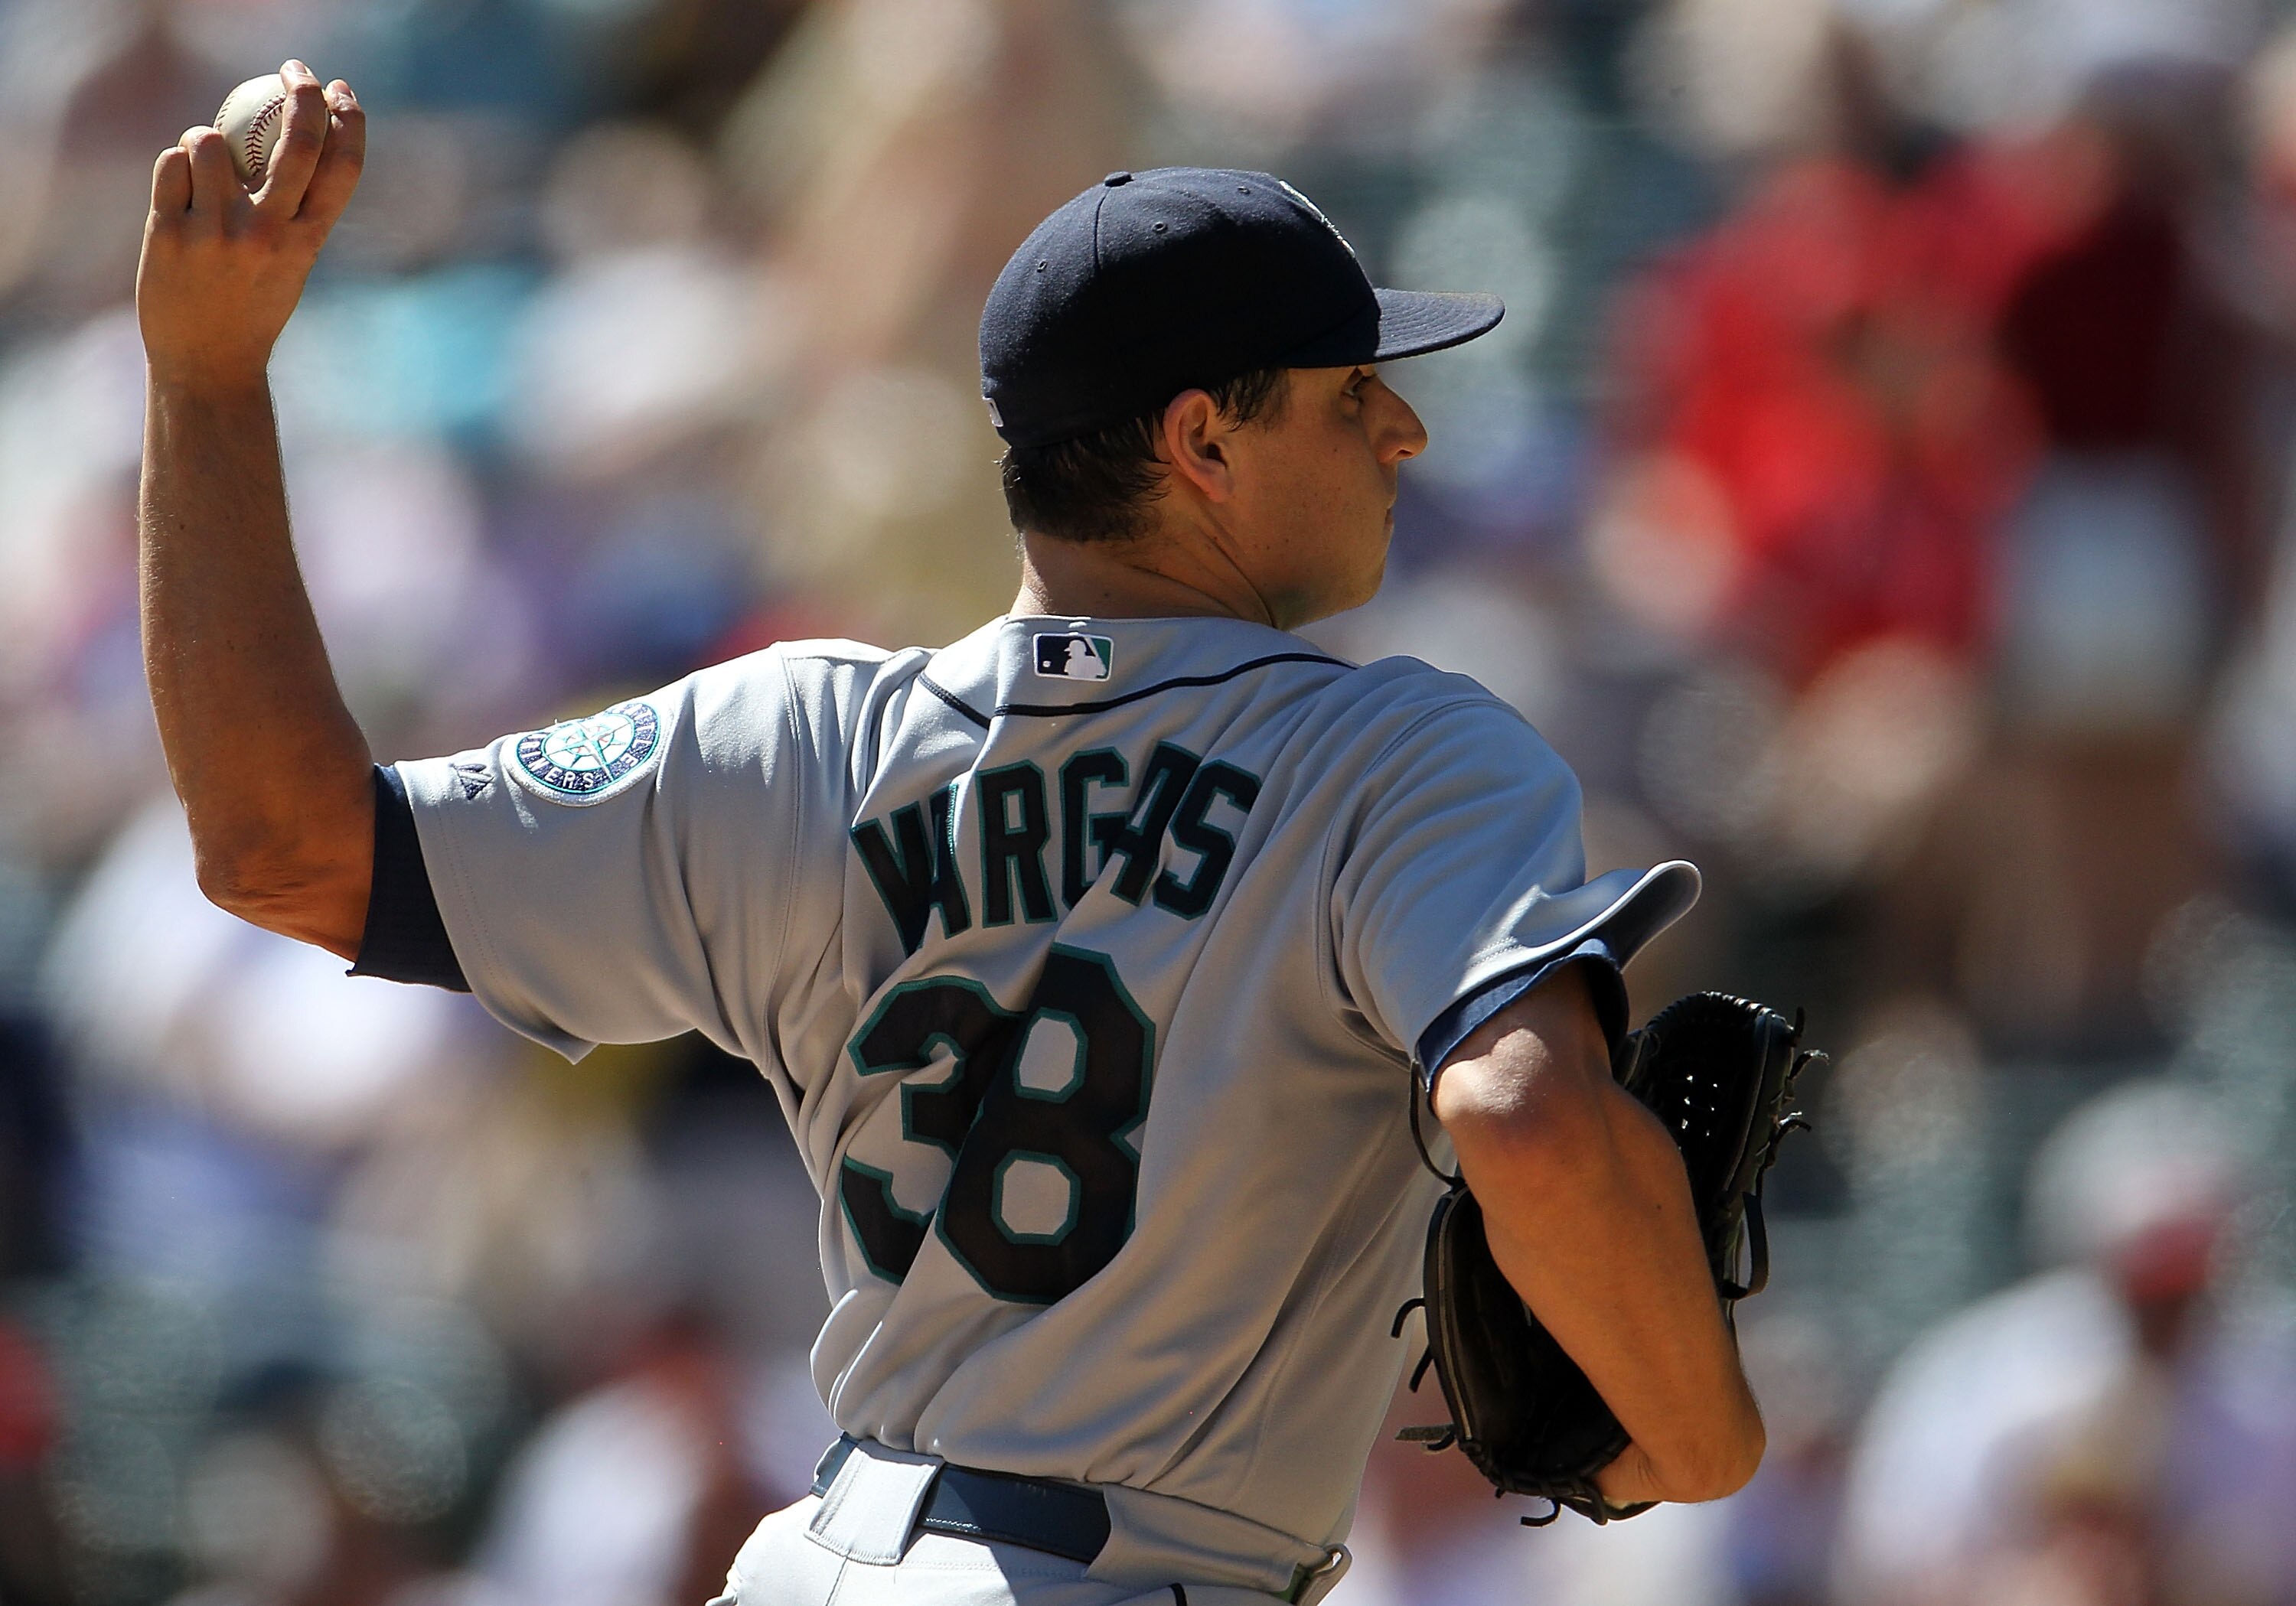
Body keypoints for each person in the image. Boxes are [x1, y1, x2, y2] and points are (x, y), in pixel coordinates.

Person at [135, 62, 1763, 1606]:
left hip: (828, 1559)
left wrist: (205, 383)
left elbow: (281, 847)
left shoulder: (789, 739)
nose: (1401, 434)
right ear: (1203, 443)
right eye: (1353, 396)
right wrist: (1699, 1433)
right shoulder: (1401, 756)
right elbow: (1529, 1118)